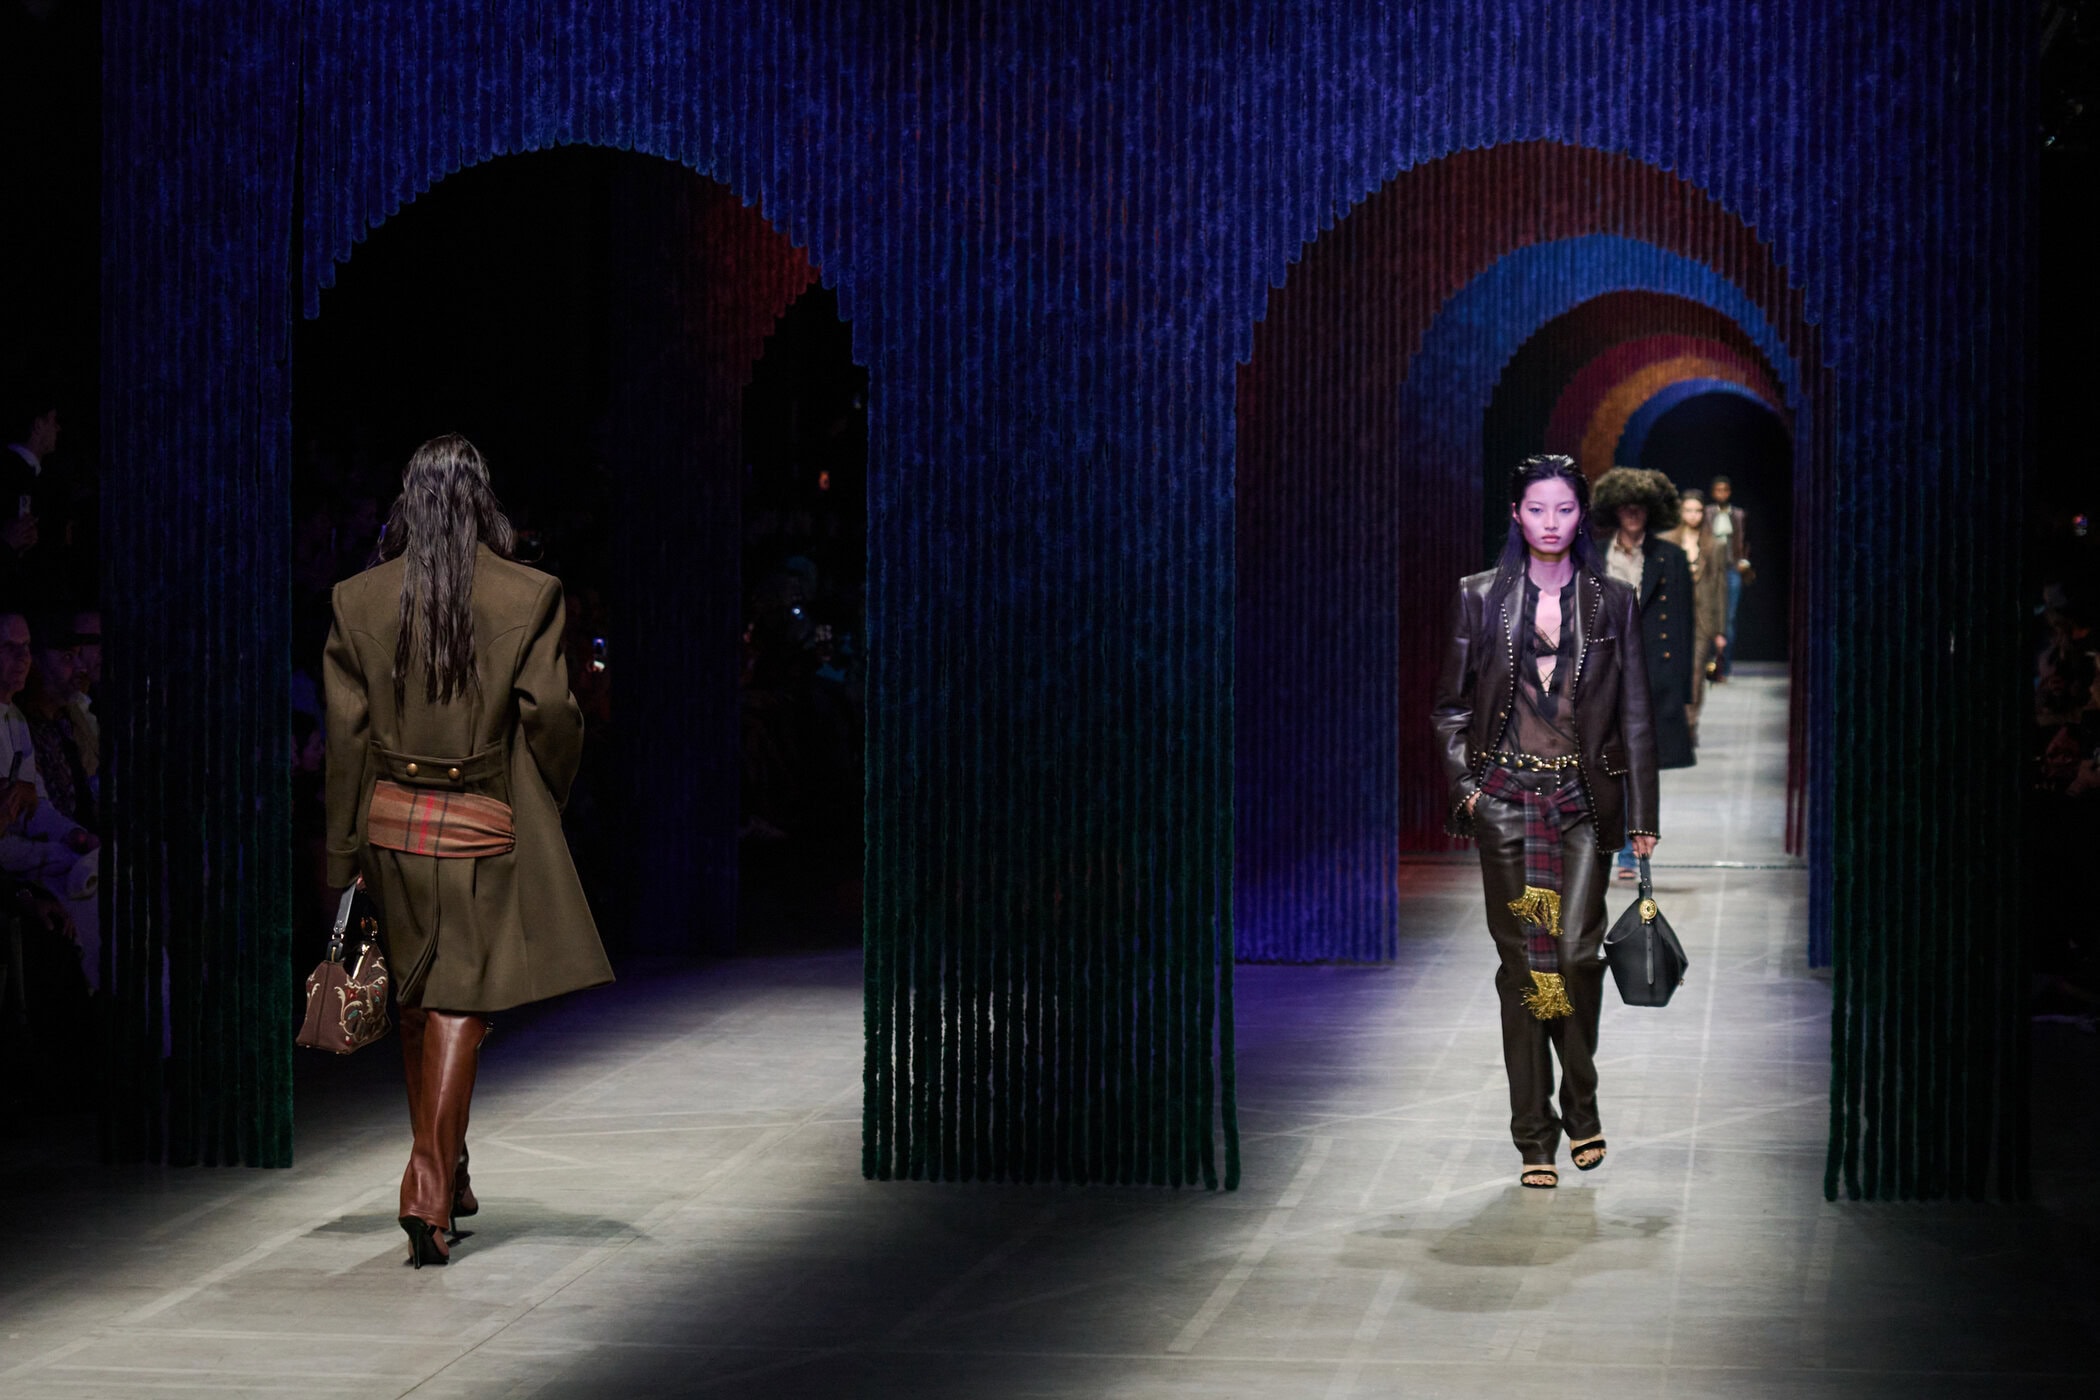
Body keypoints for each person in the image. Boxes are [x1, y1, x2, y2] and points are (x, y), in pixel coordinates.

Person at [324, 434, 612, 1268]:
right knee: (457, 1001)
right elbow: (552, 715)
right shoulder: (529, 593)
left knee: (421, 1002)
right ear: (483, 499)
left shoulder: (356, 599)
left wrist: (342, 852)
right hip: (479, 821)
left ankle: (448, 1170)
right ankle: (426, 1184)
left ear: (407, 500)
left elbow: (346, 740)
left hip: (390, 825)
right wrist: (547, 794)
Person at [1432, 454, 1660, 1190]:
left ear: (1580, 515)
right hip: (1505, 805)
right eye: (1537, 509)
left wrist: (1644, 814)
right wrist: (1469, 792)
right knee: (1526, 970)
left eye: (1564, 509)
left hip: (1582, 803)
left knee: (1575, 956)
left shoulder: (1613, 601)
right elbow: (1450, 706)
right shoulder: (1479, 597)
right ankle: (1535, 1133)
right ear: (1516, 514)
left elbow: (1635, 713)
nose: (1551, 523)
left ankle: (1580, 1097)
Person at [0, 609, 101, 990]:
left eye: (26, 647)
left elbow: (36, 806)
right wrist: (57, 852)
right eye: (10, 648)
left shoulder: (14, 720)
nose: (22, 658)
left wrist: (74, 835)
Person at [1661, 489, 1730, 739]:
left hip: (1702, 619)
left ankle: (1689, 724)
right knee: (1671, 672)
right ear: (1681, 512)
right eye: (1688, 510)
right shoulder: (1667, 542)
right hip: (1671, 618)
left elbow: (1720, 587)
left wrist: (1720, 630)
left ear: (1704, 513)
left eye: (1698, 511)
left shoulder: (1714, 546)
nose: (1693, 515)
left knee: (1696, 673)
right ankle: (1674, 721)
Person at [1707, 476, 1751, 677]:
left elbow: (1746, 539)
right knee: (1709, 616)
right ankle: (1708, 664)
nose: (1721, 494)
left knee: (1729, 618)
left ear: (1729, 492)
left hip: (1731, 569)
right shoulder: (1707, 513)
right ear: (1713, 492)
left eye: (1725, 490)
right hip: (1710, 570)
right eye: (1718, 490)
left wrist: (1744, 561)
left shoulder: (1739, 514)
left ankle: (1724, 666)